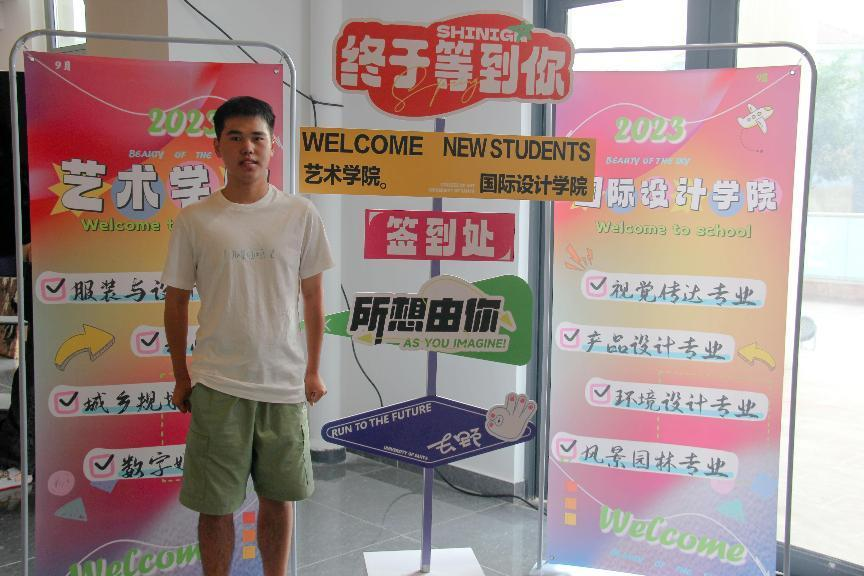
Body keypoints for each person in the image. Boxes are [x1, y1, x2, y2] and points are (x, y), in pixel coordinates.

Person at [162, 96, 333, 576]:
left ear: (273, 145)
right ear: (217, 147)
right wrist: (181, 376)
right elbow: (175, 302)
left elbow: (314, 298)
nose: (247, 148)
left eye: (257, 137)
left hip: (283, 384)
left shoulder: (300, 213)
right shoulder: (195, 220)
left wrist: (313, 370)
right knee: (214, 505)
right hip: (218, 384)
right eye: (235, 137)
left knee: (279, 499)